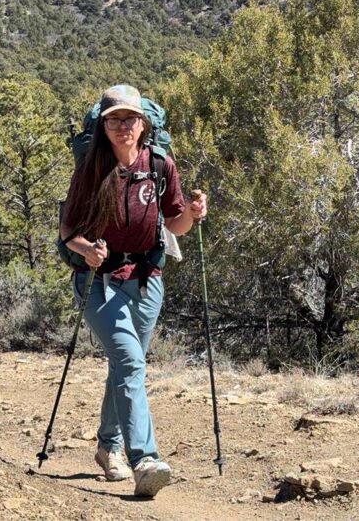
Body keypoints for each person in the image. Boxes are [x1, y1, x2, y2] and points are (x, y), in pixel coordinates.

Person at [59, 84, 207, 498]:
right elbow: (68, 231)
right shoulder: (90, 168)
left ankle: (108, 448)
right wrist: (87, 250)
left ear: (143, 124)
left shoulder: (159, 164)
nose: (123, 126)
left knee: (126, 365)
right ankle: (144, 458)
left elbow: (175, 225)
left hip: (146, 279)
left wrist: (193, 215)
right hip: (97, 281)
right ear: (103, 126)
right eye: (114, 120)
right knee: (129, 360)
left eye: (130, 119)